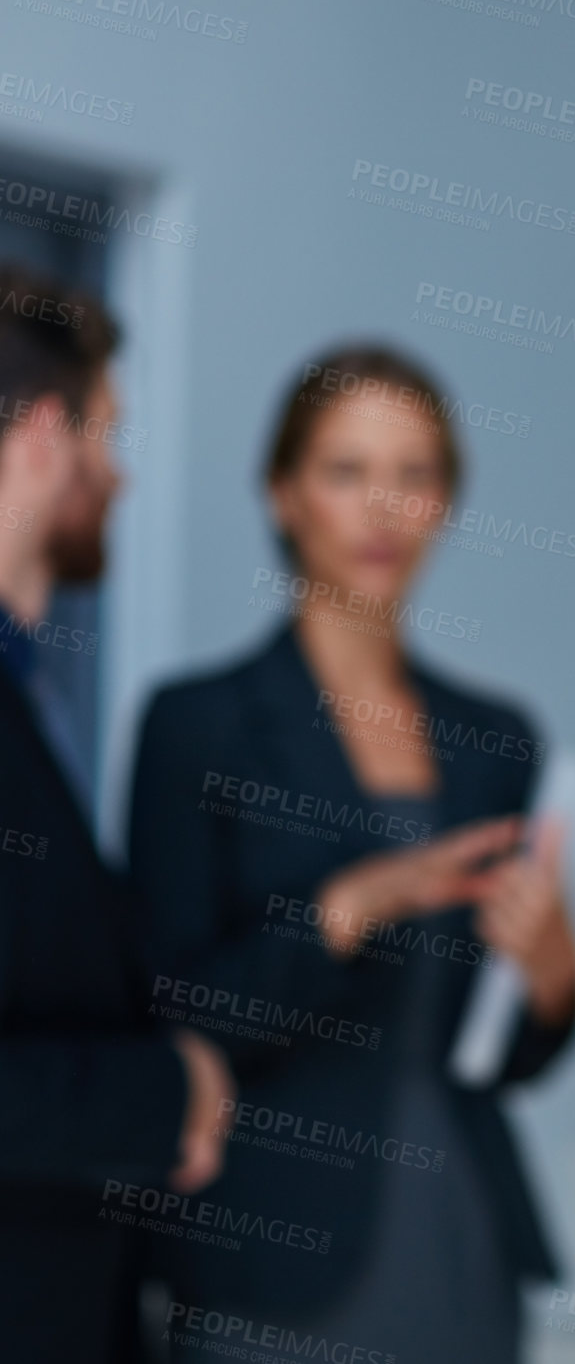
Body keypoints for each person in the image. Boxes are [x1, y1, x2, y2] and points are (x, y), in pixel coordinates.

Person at [126, 343, 575, 1362]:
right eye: (347, 470)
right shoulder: (198, 725)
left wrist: (553, 983)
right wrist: (343, 911)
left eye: (414, 473)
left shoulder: (494, 737)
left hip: (460, 1237)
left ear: (448, 501)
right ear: (284, 493)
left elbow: (494, 1048)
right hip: (270, 1247)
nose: (383, 506)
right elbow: (172, 1013)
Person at [0, 262, 234, 1362]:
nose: (121, 476)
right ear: (46, 432)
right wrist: (159, 1094)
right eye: (108, 433)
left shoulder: (31, 692)